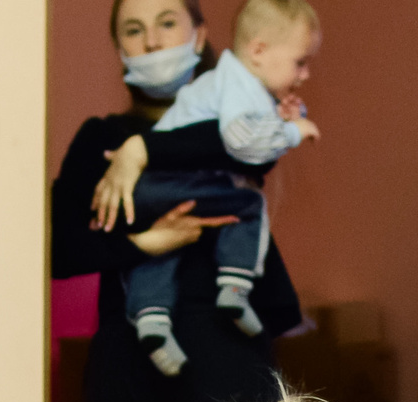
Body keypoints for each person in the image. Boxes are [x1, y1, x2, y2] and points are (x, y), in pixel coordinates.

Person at [57, 0, 303, 402]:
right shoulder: (100, 137)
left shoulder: (245, 119)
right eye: (133, 30)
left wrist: (140, 151)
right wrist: (144, 244)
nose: (151, 42)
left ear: (198, 36)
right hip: (131, 355)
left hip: (229, 348)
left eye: (167, 23)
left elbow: (237, 147)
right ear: (119, 47)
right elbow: (58, 248)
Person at [123, 0, 322, 375]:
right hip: (176, 179)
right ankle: (234, 287)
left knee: (165, 246)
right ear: (259, 50)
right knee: (247, 205)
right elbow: (241, 142)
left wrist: (280, 117)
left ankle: (151, 318)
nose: (306, 73)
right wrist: (293, 132)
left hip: (152, 187)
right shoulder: (238, 84)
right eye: (300, 62)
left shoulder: (234, 83)